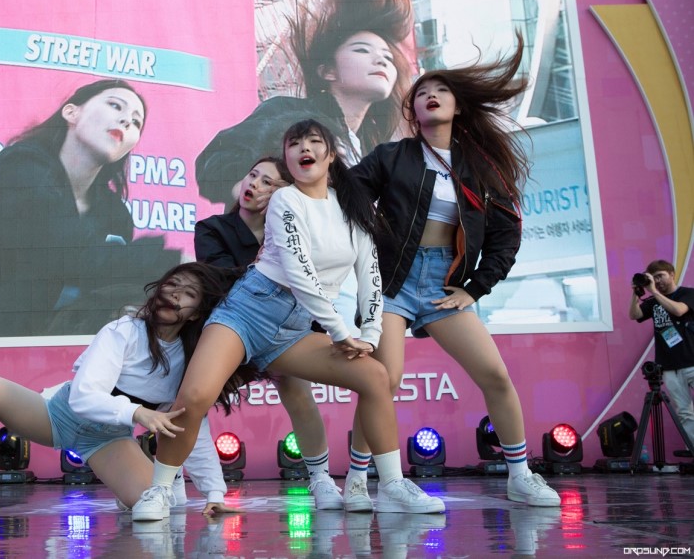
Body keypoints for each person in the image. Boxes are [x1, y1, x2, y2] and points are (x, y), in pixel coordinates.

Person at [132, 120, 445, 523]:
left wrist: (369, 333)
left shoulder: (352, 208)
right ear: (289, 159)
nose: (304, 148)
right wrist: (339, 331)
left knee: (375, 376)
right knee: (193, 398)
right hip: (247, 312)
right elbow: (300, 272)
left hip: (294, 328)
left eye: (313, 141)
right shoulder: (285, 200)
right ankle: (159, 489)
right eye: (294, 143)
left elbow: (370, 273)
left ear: (330, 155)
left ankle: (391, 485)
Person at [350, 34, 561, 507]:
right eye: (422, 92)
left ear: (458, 106)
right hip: (392, 282)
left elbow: (506, 236)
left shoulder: (482, 169)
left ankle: (521, 475)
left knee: (495, 375)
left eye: (441, 90)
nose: (430, 95)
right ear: (413, 110)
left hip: (443, 283)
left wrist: (474, 288)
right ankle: (359, 481)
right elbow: (348, 195)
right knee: (383, 380)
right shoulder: (393, 156)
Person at [0, 262, 247, 519]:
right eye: (172, 285)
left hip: (107, 441)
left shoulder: (187, 362)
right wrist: (138, 412)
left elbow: (190, 428)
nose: (175, 294)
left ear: (195, 314)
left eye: (189, 293)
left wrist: (215, 493)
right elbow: (83, 396)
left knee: (159, 507)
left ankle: (126, 489)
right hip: (55, 416)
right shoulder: (123, 330)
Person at [0, 79, 177, 339]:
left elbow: (103, 284)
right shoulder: (20, 166)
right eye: (115, 106)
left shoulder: (115, 215)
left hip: (49, 352)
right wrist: (171, 263)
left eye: (136, 122)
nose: (127, 121)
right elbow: (64, 251)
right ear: (71, 112)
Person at [194, 156, 372, 511]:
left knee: (298, 388)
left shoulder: (297, 231)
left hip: (287, 332)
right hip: (237, 329)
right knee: (194, 396)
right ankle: (174, 482)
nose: (254, 185)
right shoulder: (213, 228)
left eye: (268, 183)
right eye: (253, 175)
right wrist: (268, 264)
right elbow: (220, 281)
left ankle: (321, 479)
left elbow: (314, 288)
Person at [195, 0, 414, 206]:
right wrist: (256, 193)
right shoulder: (289, 113)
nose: (380, 61)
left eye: (388, 58)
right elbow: (214, 162)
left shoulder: (371, 154)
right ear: (328, 71)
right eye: (362, 50)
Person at [629, 259, 694, 445]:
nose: (657, 281)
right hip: (669, 366)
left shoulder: (687, 293)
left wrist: (655, 292)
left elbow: (679, 310)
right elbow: (634, 315)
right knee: (685, 412)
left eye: (660, 276)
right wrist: (636, 293)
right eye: (653, 278)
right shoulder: (653, 302)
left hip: (692, 361)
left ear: (672, 274)